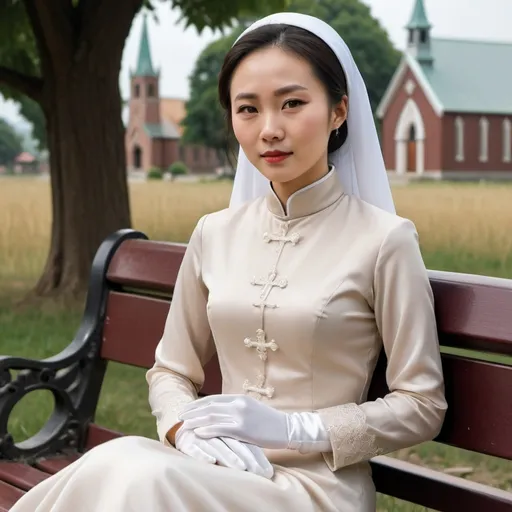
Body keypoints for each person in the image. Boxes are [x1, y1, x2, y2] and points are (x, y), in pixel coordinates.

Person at [11, 12, 447, 512]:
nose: (270, 130)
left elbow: (422, 405)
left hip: (314, 489)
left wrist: (296, 428)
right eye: (248, 109)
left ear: (338, 110)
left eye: (293, 103)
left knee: (133, 474)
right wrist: (182, 428)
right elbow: (170, 370)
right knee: (124, 462)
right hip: (213, 470)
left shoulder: (384, 240)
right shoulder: (214, 233)